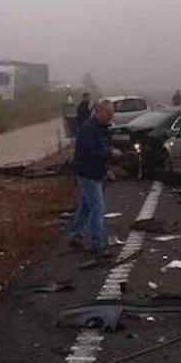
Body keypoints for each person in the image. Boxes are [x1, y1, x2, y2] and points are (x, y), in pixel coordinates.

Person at [68, 99, 120, 253]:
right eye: (108, 113)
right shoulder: (88, 129)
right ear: (98, 111)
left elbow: (102, 149)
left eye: (112, 113)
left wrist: (108, 166)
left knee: (86, 207)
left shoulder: (102, 128)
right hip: (88, 174)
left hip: (97, 172)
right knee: (97, 208)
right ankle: (97, 245)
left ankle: (75, 234)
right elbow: (91, 152)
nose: (111, 116)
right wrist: (110, 153)